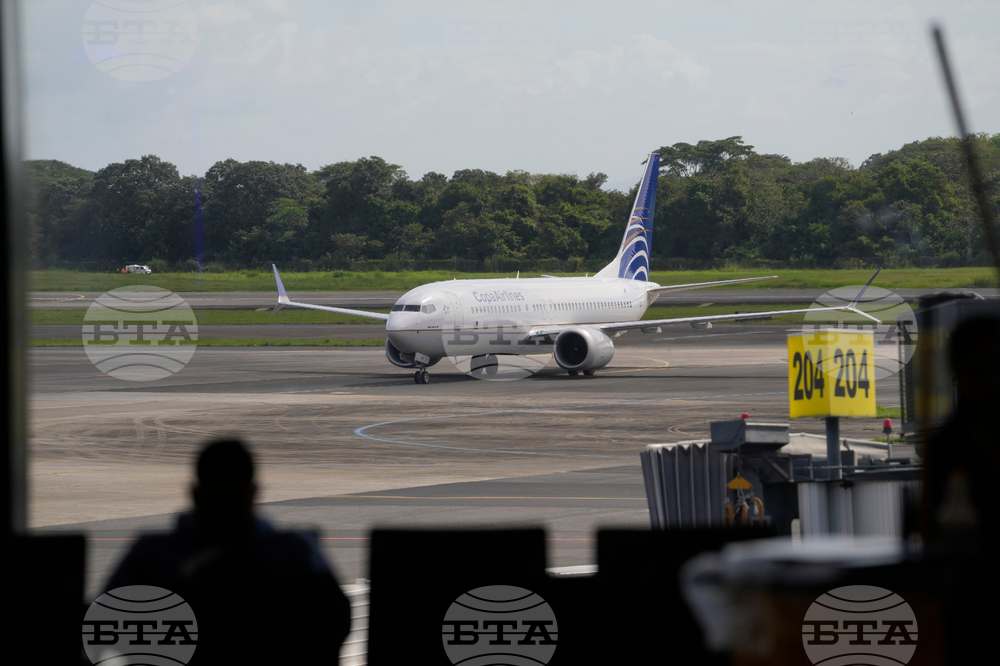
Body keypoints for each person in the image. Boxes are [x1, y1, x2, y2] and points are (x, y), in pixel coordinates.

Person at [107, 439, 351, 664]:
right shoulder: (295, 552)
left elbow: (106, 628)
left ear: (194, 493)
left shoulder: (152, 556)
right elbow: (334, 625)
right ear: (254, 492)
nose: (225, 518)